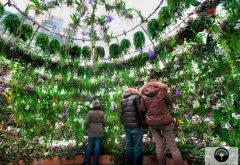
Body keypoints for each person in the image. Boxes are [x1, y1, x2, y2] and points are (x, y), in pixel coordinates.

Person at [140, 80, 184, 165]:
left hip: (153, 124)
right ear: (156, 85)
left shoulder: (143, 95)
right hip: (165, 122)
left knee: (159, 147)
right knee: (173, 148)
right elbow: (169, 103)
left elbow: (142, 109)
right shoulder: (162, 91)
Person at [120, 87, 146, 165]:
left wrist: (124, 123)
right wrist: (143, 124)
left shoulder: (122, 100)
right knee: (137, 147)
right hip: (136, 126)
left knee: (129, 146)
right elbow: (140, 112)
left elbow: (121, 114)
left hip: (127, 127)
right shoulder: (136, 97)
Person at [84, 100, 104, 165]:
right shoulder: (102, 113)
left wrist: (89, 126)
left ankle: (86, 162)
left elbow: (86, 122)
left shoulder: (90, 112)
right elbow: (103, 122)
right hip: (99, 130)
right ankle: (95, 163)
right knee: (97, 146)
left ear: (93, 105)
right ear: (99, 105)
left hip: (91, 130)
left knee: (89, 146)